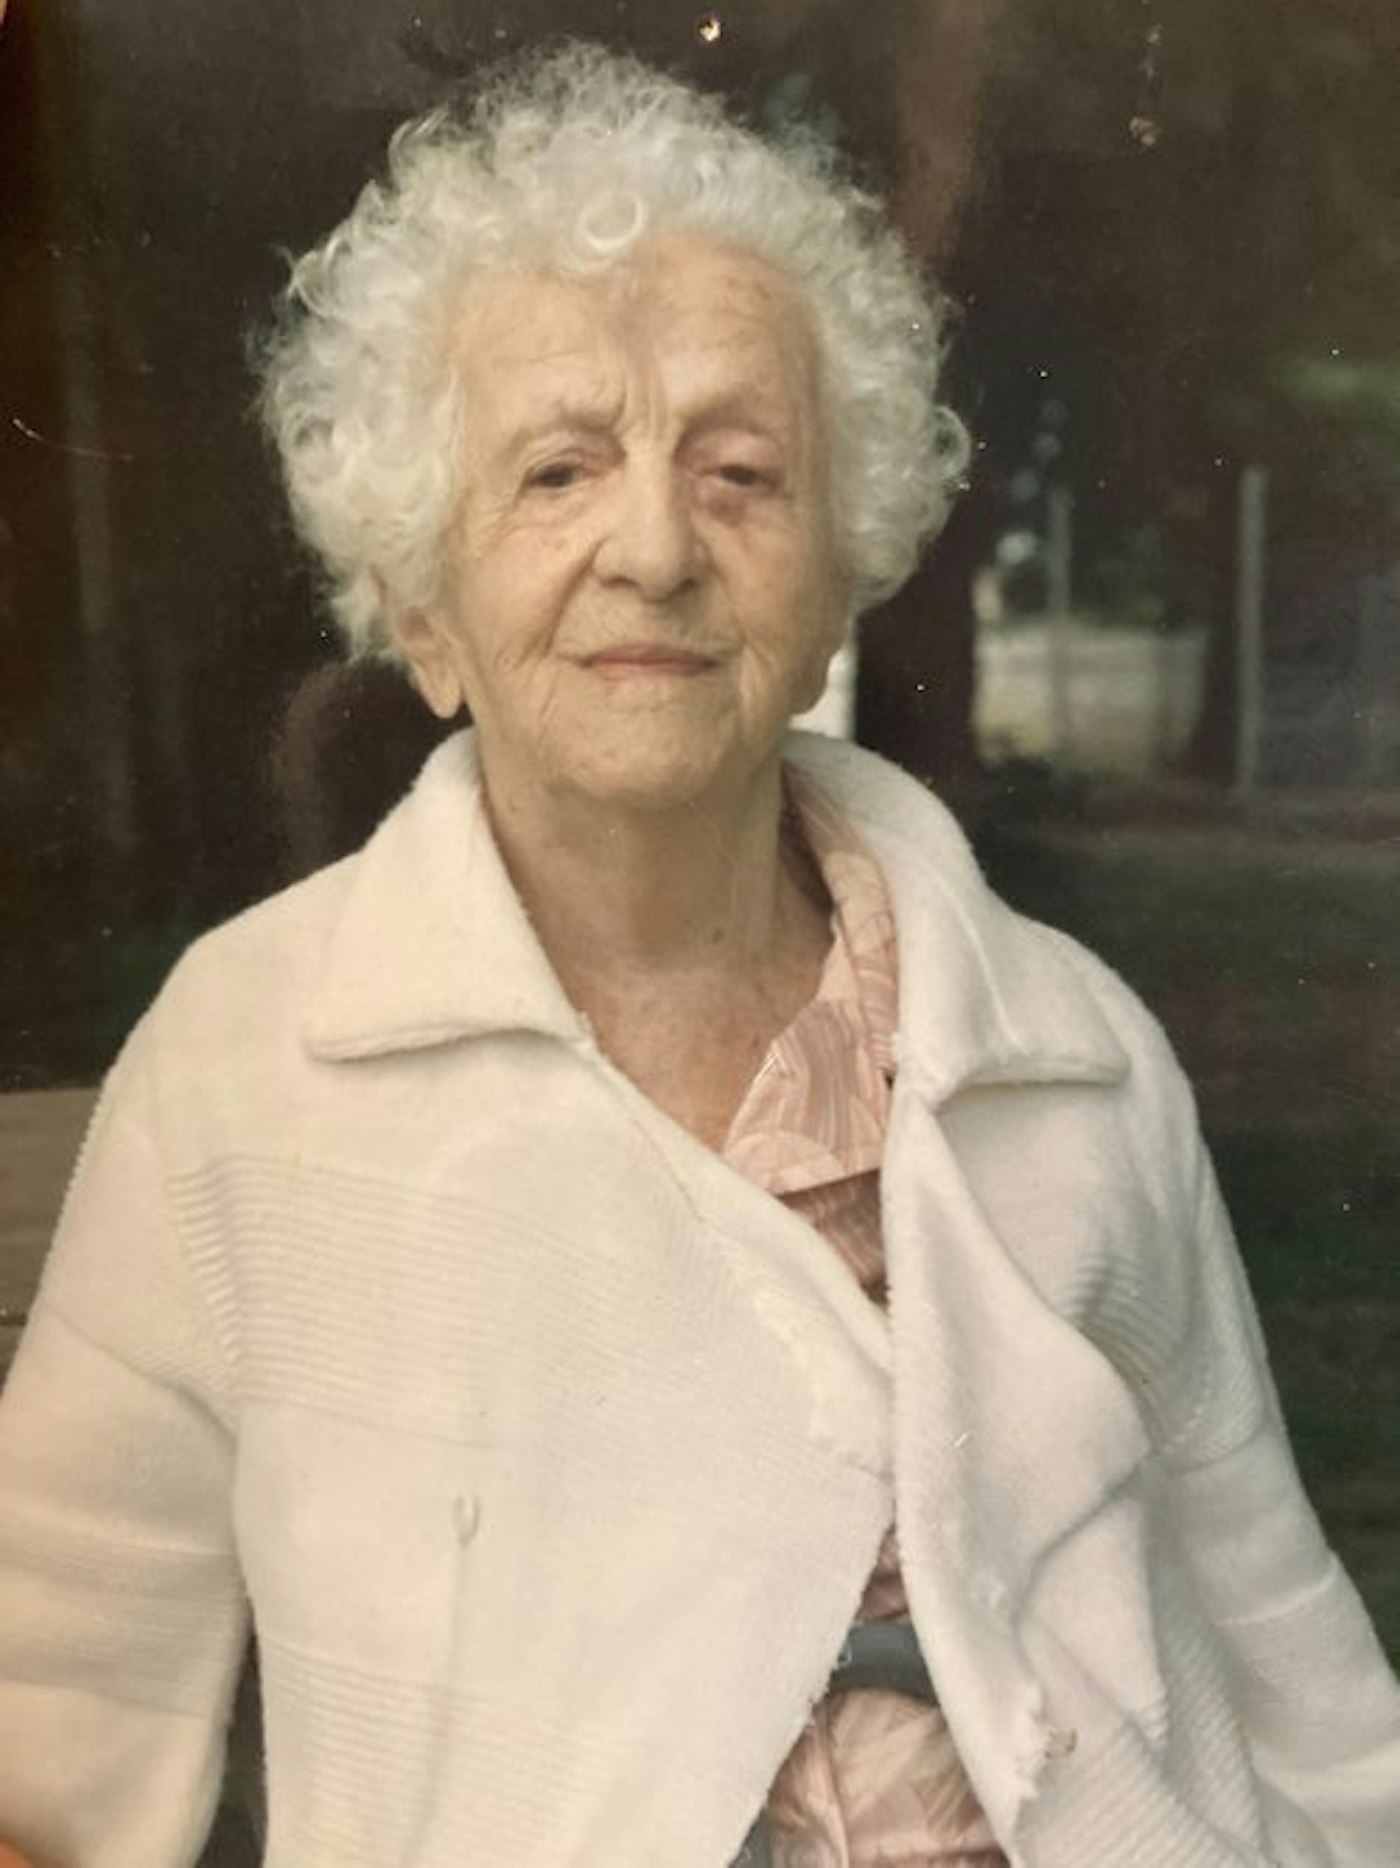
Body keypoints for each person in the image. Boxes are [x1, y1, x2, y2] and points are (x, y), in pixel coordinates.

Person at [0, 41, 1397, 1868]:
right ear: (420, 606)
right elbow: (46, 1719)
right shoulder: (250, 1059)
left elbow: (1292, 1661)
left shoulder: (1070, 1046)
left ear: (836, 581)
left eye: (741, 473)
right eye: (558, 472)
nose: (654, 546)